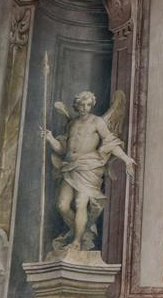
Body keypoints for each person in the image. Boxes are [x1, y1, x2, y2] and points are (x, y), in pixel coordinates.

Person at [42, 90, 134, 252]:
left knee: (80, 203)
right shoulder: (71, 124)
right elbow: (63, 150)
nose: (84, 107)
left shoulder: (97, 122)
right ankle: (83, 230)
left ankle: (76, 243)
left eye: (88, 104)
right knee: (62, 205)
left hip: (89, 167)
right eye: (81, 104)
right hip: (70, 166)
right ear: (76, 106)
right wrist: (50, 139)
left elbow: (111, 143)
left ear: (91, 105)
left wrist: (126, 159)